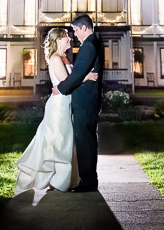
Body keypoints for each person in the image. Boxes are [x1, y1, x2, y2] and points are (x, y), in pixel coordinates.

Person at [14, 27, 98, 205]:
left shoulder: (64, 57)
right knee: (58, 141)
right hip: (59, 106)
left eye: (69, 35)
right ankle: (57, 180)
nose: (69, 38)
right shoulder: (55, 58)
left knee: (64, 142)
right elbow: (66, 81)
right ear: (58, 40)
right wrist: (88, 76)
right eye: (66, 36)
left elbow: (69, 81)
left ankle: (60, 179)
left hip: (65, 103)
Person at [57, 13, 104, 193]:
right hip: (89, 99)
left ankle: (88, 181)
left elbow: (77, 75)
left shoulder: (89, 46)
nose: (74, 34)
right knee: (88, 140)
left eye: (76, 30)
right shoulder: (93, 44)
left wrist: (61, 89)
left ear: (84, 27)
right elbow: (82, 73)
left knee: (85, 141)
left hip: (85, 100)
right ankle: (90, 179)